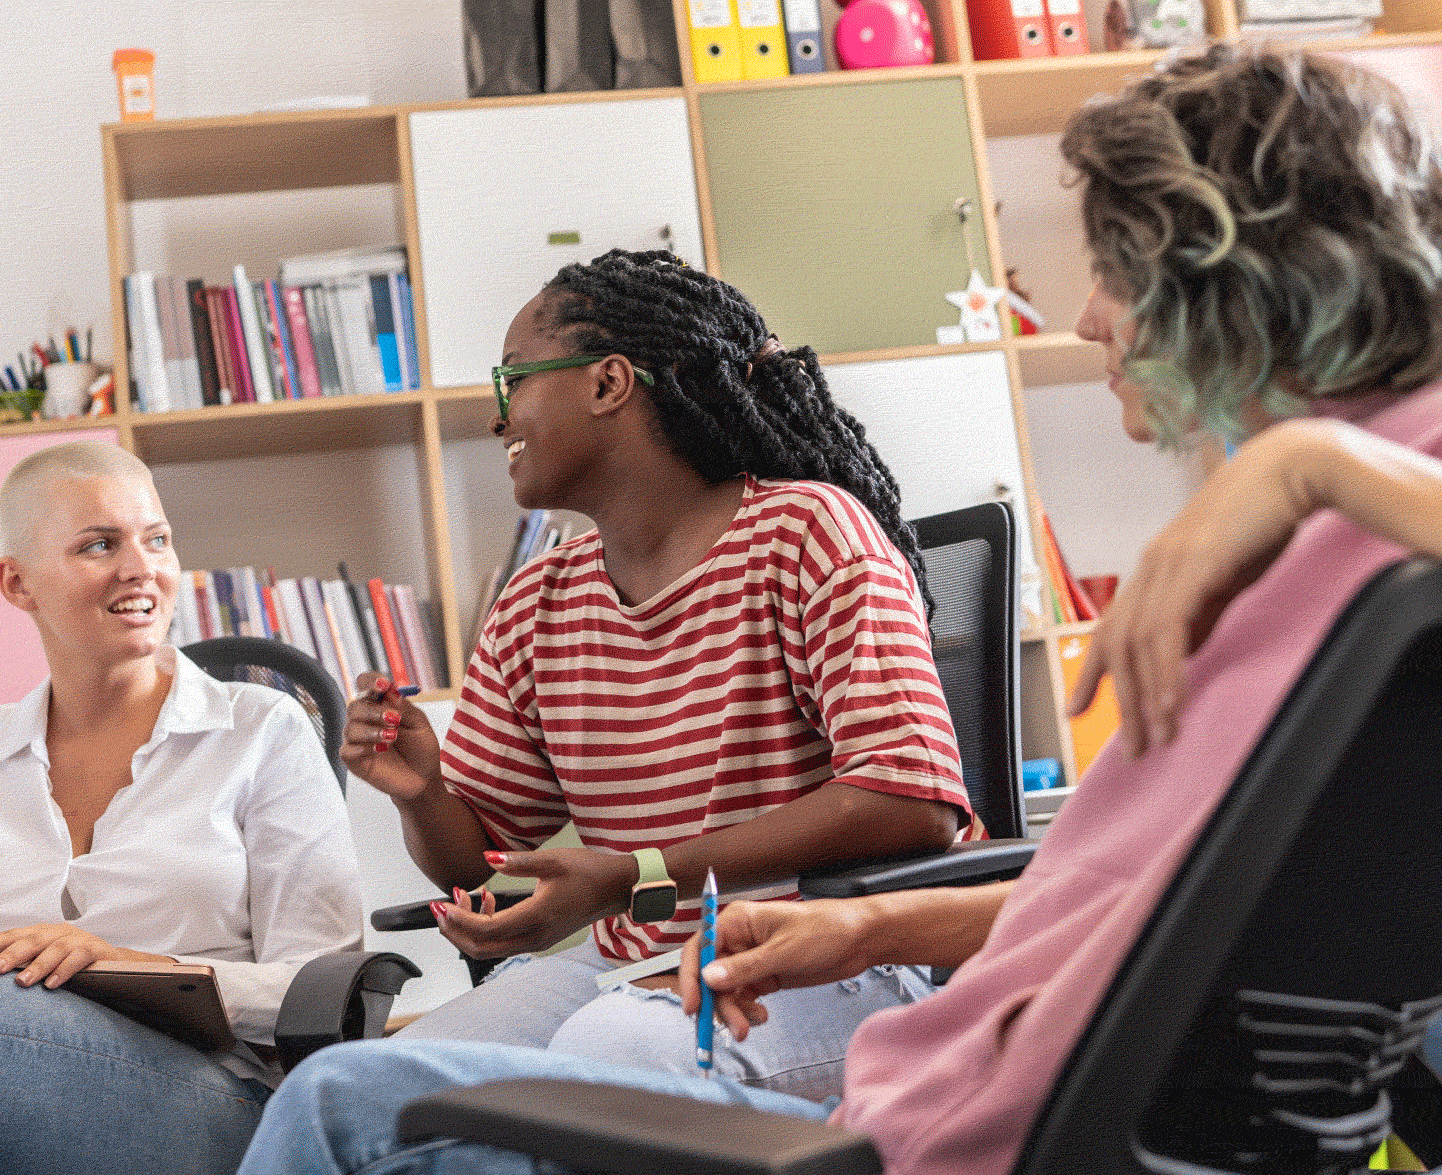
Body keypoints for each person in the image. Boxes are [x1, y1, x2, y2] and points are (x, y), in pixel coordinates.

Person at [234, 45, 1442, 1175]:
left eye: (1113, 273)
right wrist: (862, 932)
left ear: (1223, 274)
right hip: (944, 1071)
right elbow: (1150, 894)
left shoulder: (1352, 505)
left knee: (344, 1109)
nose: (1082, 319)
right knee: (393, 1075)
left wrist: (1300, 465)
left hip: (959, 1122)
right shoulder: (1345, 531)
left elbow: (934, 810)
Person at [346, 249, 977, 1099]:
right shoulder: (538, 597)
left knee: (607, 1065)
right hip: (630, 960)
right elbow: (484, 863)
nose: (498, 422)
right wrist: (420, 791)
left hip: (839, 956)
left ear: (608, 383)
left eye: (513, 383)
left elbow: (913, 800)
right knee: (377, 1087)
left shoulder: (809, 534)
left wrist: (638, 872)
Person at [0, 441, 364, 1175]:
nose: (140, 567)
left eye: (155, 539)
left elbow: (322, 992)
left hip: (204, 1107)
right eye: (99, 544)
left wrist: (134, 966)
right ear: (17, 582)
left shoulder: (262, 729)